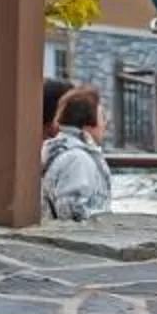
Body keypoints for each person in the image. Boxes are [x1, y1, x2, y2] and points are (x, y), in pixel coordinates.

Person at [40, 86, 114, 223]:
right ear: (88, 124)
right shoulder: (77, 159)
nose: (105, 124)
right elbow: (72, 212)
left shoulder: (66, 152)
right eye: (102, 117)